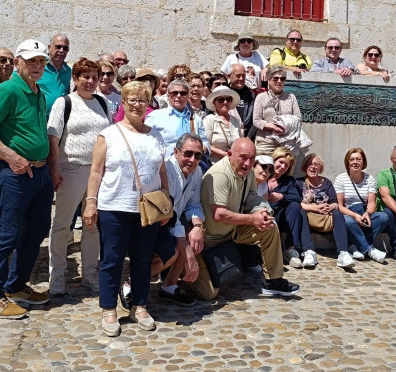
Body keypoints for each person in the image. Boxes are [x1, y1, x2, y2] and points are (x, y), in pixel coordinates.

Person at [0, 39, 54, 319]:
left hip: (38, 173)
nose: (37, 66)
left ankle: (16, 285)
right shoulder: (7, 90)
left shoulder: (38, 91)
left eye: (41, 61)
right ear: (18, 62)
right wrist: (12, 157)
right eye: (31, 61)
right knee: (6, 234)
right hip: (13, 173)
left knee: (37, 230)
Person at [83, 80, 168, 336]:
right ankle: (108, 308)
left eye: (142, 100)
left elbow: (162, 171)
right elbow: (96, 172)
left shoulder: (155, 135)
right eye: (132, 100)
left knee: (143, 260)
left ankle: (139, 305)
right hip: (114, 207)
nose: (137, 105)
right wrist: (90, 202)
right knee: (112, 259)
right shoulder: (108, 135)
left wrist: (167, 200)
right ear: (124, 103)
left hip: (147, 209)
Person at [191, 138, 301, 300]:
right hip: (208, 240)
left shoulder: (247, 171)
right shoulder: (220, 174)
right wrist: (251, 219)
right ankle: (180, 276)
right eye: (243, 157)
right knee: (208, 294)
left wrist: (263, 211)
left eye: (252, 158)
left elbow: (252, 196)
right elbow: (219, 214)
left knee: (269, 226)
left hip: (231, 232)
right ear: (229, 154)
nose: (247, 163)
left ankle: (274, 280)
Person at [46, 58, 112, 296]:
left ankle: (90, 273)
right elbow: (53, 139)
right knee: (63, 224)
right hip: (71, 169)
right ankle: (57, 274)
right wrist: (54, 171)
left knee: (92, 224)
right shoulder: (63, 103)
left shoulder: (103, 104)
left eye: (95, 77)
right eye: (85, 77)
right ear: (75, 78)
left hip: (98, 173)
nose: (91, 81)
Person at [157, 134, 208, 307]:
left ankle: (169, 287)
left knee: (194, 239)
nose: (192, 160)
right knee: (174, 252)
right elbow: (169, 214)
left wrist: (198, 226)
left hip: (173, 222)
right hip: (158, 223)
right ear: (176, 151)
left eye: (198, 155)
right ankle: (130, 284)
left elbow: (194, 205)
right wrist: (187, 252)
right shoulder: (167, 169)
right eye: (188, 154)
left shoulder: (197, 171)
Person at [297, 154, 354, 269]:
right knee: (300, 211)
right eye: (310, 164)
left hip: (326, 218)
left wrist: (330, 207)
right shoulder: (298, 183)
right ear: (304, 167)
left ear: (320, 168)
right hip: (309, 217)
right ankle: (309, 251)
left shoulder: (327, 183)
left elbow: (335, 203)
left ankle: (343, 253)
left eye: (316, 165)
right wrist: (315, 208)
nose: (313, 167)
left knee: (338, 213)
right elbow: (297, 203)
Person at [266, 147, 317, 269]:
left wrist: (281, 196)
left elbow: (296, 198)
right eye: (281, 162)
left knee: (295, 206)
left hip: (279, 217)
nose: (283, 166)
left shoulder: (288, 181)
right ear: (273, 160)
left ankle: (290, 249)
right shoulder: (262, 174)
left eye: (287, 165)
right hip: (260, 214)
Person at [334, 148, 388, 263]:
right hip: (349, 214)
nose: (355, 162)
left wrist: (367, 213)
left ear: (363, 162)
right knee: (347, 221)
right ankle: (368, 249)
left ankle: (354, 246)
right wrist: (355, 216)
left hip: (364, 212)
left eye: (359, 159)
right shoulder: (341, 179)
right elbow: (339, 206)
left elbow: (372, 203)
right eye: (352, 159)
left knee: (383, 217)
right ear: (347, 162)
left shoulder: (370, 179)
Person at [144, 79, 208, 158]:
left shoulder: (196, 118)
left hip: (191, 165)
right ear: (168, 96)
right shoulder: (155, 117)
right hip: (166, 165)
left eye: (183, 93)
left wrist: (195, 154)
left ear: (188, 96)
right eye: (174, 93)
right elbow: (146, 143)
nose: (178, 96)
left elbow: (205, 142)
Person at [253, 66, 304, 155]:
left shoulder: (291, 97)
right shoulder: (261, 97)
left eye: (282, 78)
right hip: (266, 143)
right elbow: (256, 121)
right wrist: (274, 127)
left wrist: (286, 127)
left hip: (287, 143)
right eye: (276, 78)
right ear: (269, 79)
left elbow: (298, 118)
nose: (279, 81)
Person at [203, 86, 243, 163]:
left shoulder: (235, 120)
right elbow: (205, 144)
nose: (225, 102)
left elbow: (239, 142)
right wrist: (226, 155)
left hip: (233, 163)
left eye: (228, 99)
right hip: (215, 164)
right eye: (221, 100)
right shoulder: (209, 120)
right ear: (214, 102)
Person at [37, 33, 71, 113]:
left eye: (65, 48)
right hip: (40, 119)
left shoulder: (68, 70)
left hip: (60, 119)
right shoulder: (39, 65)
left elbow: (67, 91)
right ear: (49, 47)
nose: (61, 51)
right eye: (58, 47)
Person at [227, 64, 256, 136]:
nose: (241, 79)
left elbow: (255, 118)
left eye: (243, 76)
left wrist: (249, 136)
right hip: (228, 135)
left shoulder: (251, 95)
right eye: (238, 76)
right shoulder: (224, 94)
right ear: (229, 76)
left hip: (248, 136)